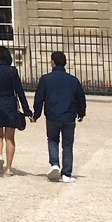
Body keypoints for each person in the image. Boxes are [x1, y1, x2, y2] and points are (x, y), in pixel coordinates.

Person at [31, 50, 86, 182]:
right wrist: (81, 112)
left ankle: (54, 163)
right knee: (67, 145)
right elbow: (80, 98)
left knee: (53, 140)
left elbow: (39, 98)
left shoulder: (45, 79)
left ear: (53, 63)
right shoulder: (73, 80)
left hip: (52, 115)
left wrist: (36, 115)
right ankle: (66, 174)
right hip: (68, 116)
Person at [0, 45, 32, 176]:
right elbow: (20, 91)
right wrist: (27, 111)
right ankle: (8, 168)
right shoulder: (12, 71)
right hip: (10, 103)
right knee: (10, 137)